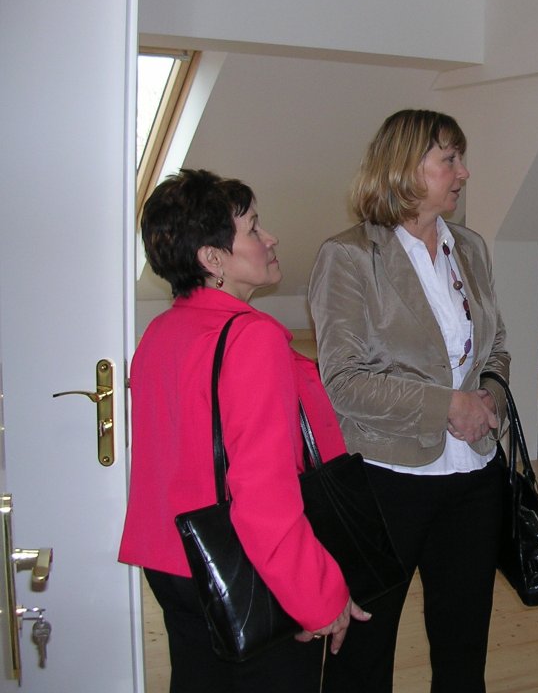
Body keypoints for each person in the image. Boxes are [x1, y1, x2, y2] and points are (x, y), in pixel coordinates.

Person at [119, 169, 368, 692]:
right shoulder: (249, 339)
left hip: (174, 564)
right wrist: (318, 596)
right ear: (213, 259)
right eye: (253, 229)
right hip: (245, 567)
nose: (270, 238)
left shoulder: (160, 332)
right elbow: (262, 495)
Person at [309, 109, 510, 693]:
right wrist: (448, 405)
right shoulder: (349, 256)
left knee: (464, 647)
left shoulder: (470, 248)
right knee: (363, 654)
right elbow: (343, 379)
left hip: (474, 475)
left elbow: (497, 348)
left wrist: (488, 401)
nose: (463, 172)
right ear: (405, 168)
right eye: (449, 159)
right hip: (386, 479)